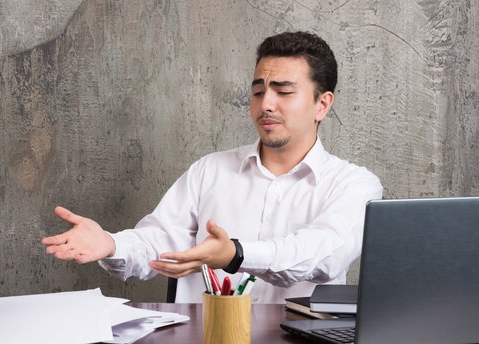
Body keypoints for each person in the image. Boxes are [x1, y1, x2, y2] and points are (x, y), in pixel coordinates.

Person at [42, 31, 383, 303]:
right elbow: (160, 243)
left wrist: (234, 254)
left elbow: (324, 255)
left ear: (322, 104)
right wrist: (111, 244)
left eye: (284, 92)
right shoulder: (210, 170)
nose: (266, 104)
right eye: (258, 91)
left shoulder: (354, 185)